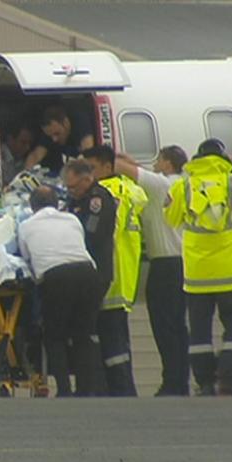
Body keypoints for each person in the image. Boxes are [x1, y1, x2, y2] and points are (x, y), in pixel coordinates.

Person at [164, 138, 232, 396]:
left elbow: (171, 217)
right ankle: (230, 380)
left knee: (199, 329)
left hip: (198, 274)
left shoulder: (183, 186)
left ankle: (205, 383)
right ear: (223, 159)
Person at [115, 146, 190, 396]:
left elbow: (131, 172)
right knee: (178, 326)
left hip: (165, 265)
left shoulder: (161, 186)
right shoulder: (183, 185)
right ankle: (180, 381)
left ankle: (172, 382)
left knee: (164, 326)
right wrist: (129, 159)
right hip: (184, 264)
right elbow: (143, 173)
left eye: (159, 160)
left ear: (168, 164)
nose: (156, 164)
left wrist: (105, 159)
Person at [18, 185, 102, 397]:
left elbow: (26, 256)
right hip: (87, 273)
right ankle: (86, 389)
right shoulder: (72, 220)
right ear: (57, 204)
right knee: (84, 335)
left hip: (56, 277)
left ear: (32, 206)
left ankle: (64, 389)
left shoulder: (26, 226)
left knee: (55, 336)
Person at [82, 145, 148, 396]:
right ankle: (121, 389)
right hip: (125, 276)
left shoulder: (105, 195)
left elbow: (99, 232)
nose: (88, 175)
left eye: (92, 169)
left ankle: (119, 391)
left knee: (110, 341)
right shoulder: (131, 190)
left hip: (109, 274)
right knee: (119, 339)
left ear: (108, 168)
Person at [64, 158, 117, 395]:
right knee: (81, 328)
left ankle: (92, 385)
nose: (70, 191)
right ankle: (88, 383)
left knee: (85, 329)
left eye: (74, 187)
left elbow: (91, 234)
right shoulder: (76, 199)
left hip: (96, 272)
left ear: (87, 179)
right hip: (81, 273)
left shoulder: (98, 199)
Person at [25, 104, 94, 174]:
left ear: (66, 123)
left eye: (57, 134)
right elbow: (36, 155)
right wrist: (26, 173)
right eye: (50, 136)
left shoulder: (80, 123)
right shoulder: (51, 131)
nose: (54, 139)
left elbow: (88, 153)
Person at [1, 120, 34, 186]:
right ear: (10, 139)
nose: (27, 147)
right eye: (23, 142)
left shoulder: (21, 158)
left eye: (29, 143)